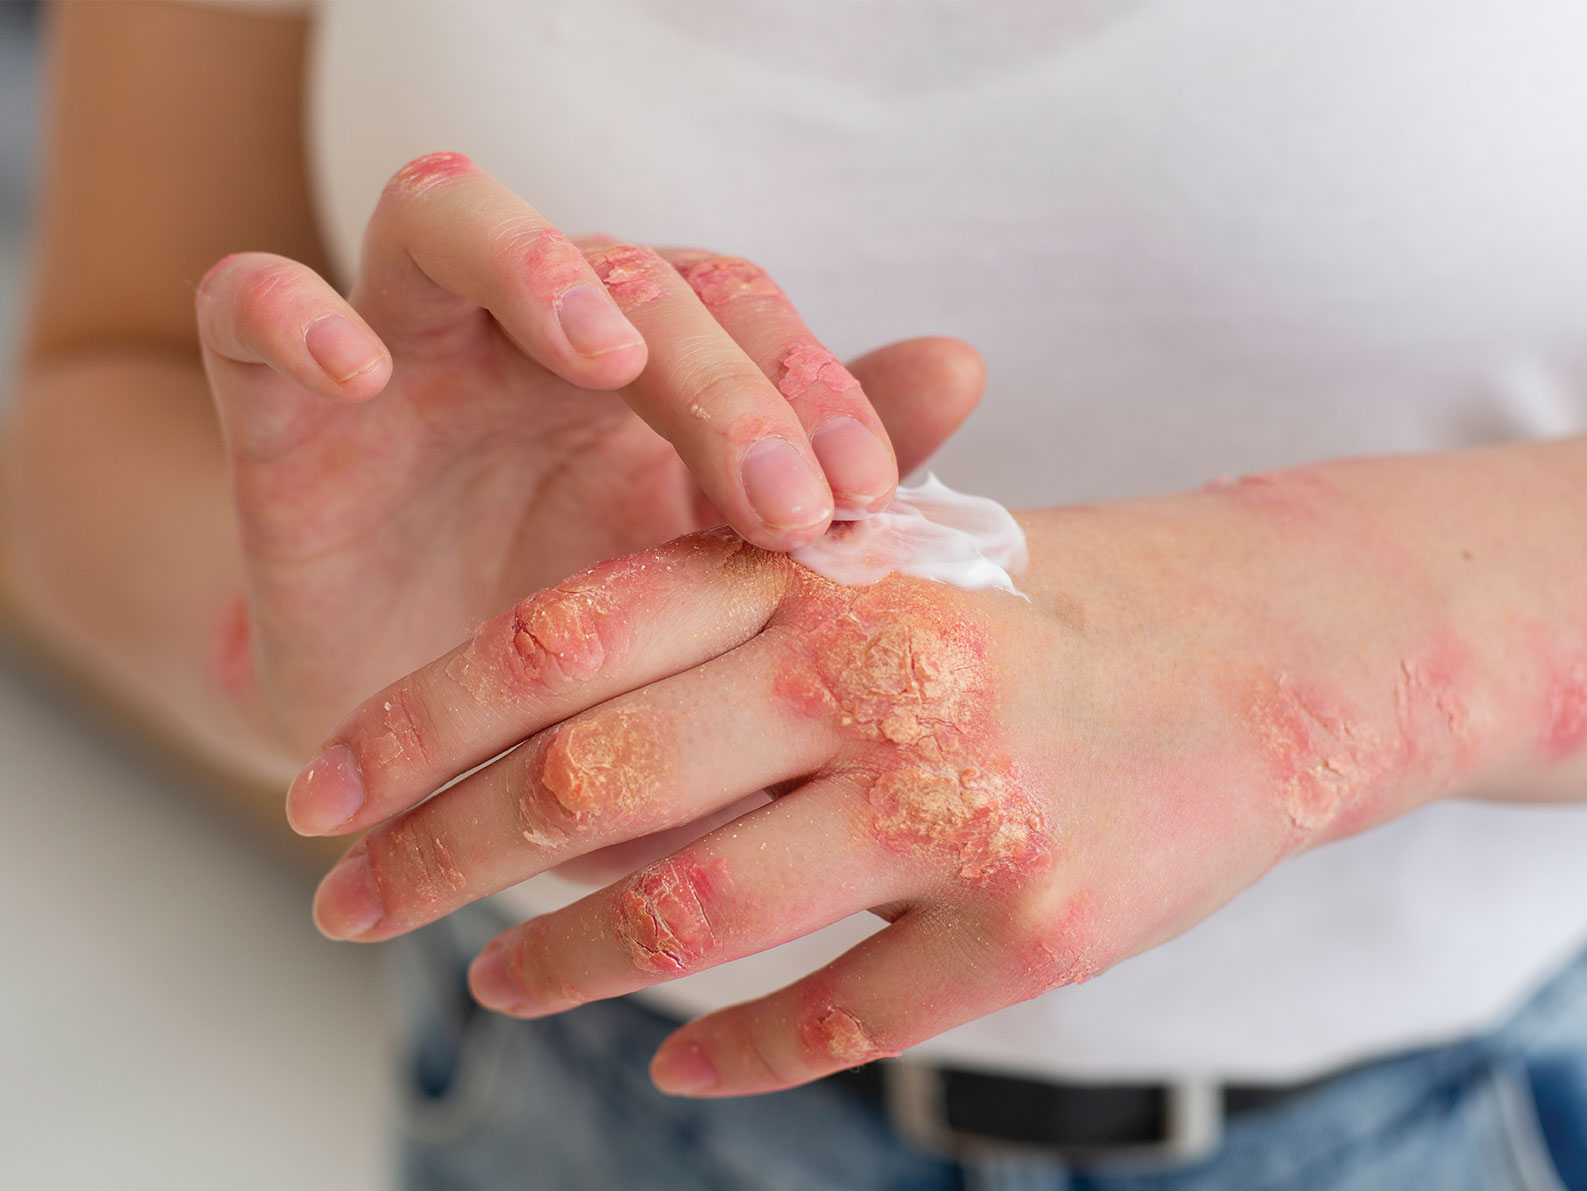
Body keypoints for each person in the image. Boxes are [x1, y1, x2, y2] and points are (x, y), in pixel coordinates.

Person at [4, 2, 1586, 1188]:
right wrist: (324, 666)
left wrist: (1288, 647)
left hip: (1461, 1103)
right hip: (576, 1099)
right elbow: (106, 374)